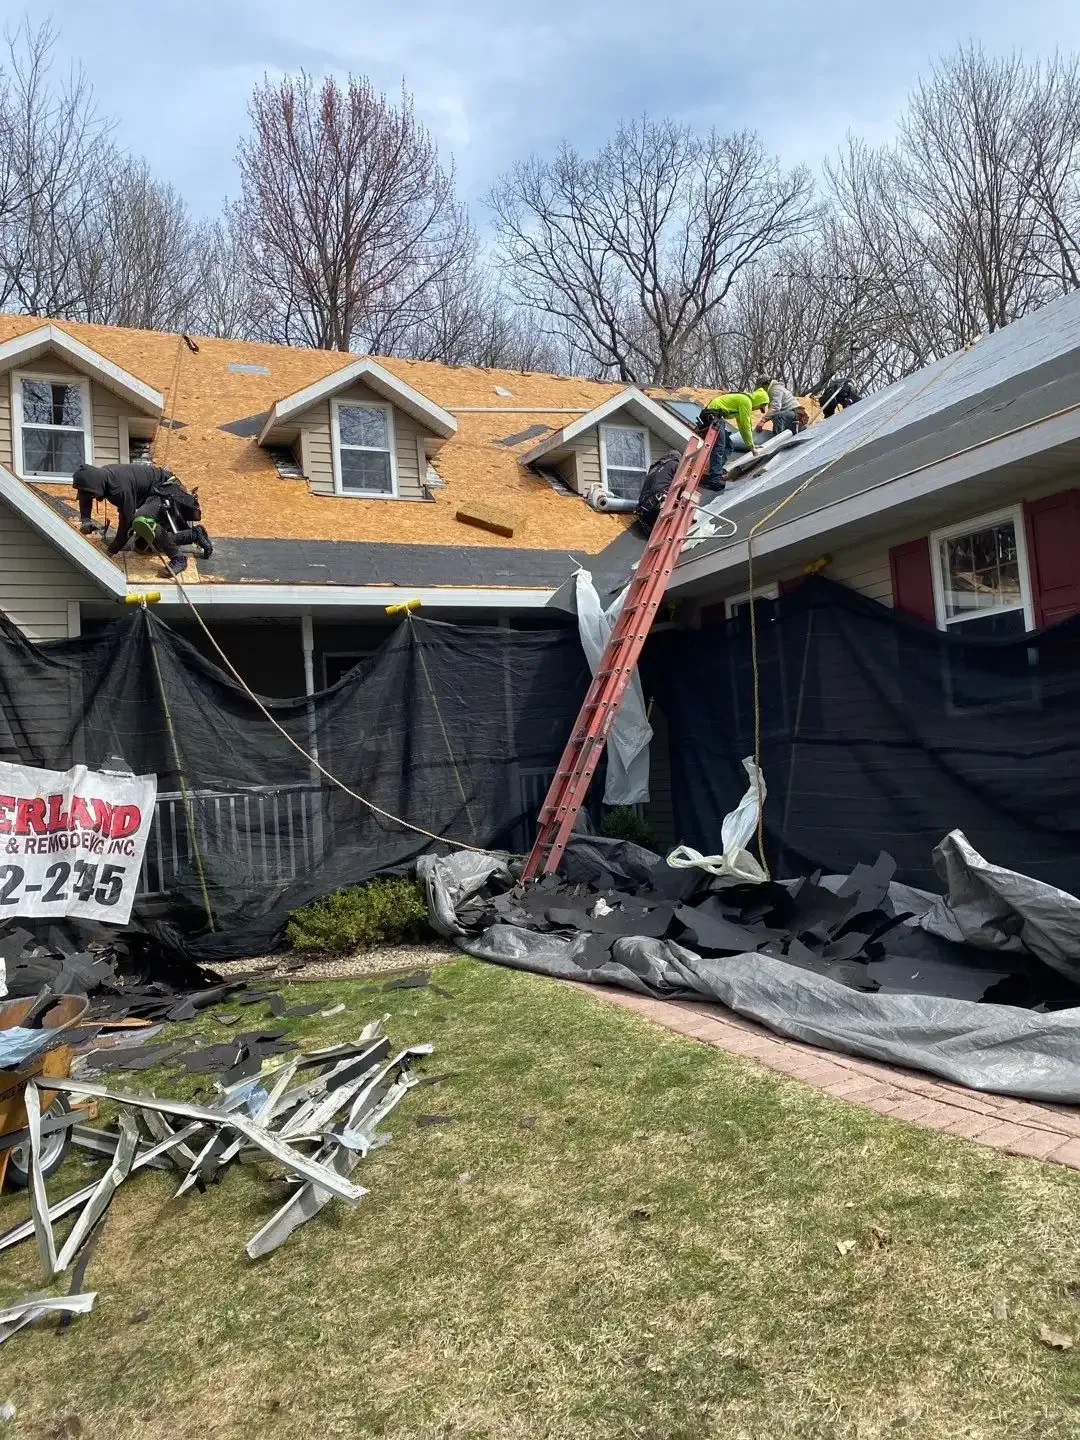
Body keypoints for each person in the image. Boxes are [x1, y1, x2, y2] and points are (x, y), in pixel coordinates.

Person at [72, 462, 212, 576]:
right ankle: (193, 535)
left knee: (141, 520)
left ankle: (178, 558)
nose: (92, 497)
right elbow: (85, 495)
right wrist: (86, 520)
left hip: (168, 490)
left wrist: (110, 552)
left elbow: (126, 524)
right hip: (155, 496)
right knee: (143, 546)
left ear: (96, 485)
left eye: (92, 493)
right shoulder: (102, 477)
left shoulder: (120, 488)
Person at [697, 387, 770, 491]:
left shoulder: (744, 401)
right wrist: (752, 448)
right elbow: (745, 426)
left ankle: (714, 472)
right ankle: (715, 478)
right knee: (719, 445)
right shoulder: (746, 401)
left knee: (728, 446)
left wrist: (751, 445)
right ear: (758, 400)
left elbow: (742, 426)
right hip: (712, 415)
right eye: (759, 406)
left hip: (715, 416)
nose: (756, 409)